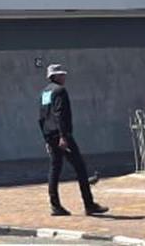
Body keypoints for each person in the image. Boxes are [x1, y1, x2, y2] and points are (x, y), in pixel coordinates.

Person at [39, 63, 108, 217]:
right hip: (61, 135)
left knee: (55, 169)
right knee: (80, 167)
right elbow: (59, 114)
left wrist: (46, 139)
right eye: (61, 75)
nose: (64, 77)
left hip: (50, 135)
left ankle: (55, 205)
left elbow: (42, 117)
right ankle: (89, 204)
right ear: (55, 76)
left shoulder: (45, 93)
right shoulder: (60, 91)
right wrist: (63, 136)